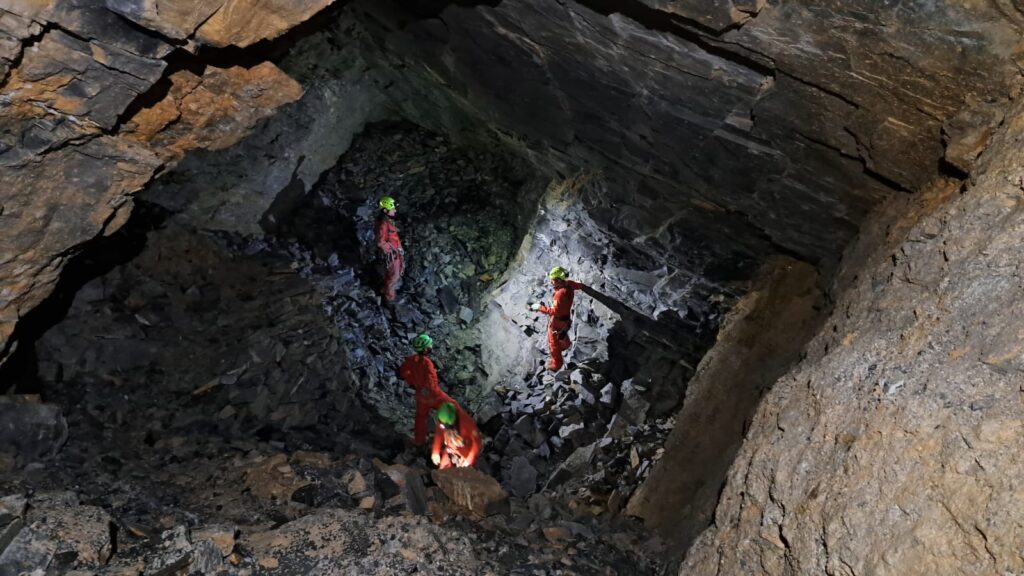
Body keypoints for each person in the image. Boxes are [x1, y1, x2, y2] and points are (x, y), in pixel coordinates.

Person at [399, 333, 454, 446]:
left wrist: (413, 382)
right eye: (429, 346)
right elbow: (431, 383)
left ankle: (419, 441)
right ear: (425, 349)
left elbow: (403, 371)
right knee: (453, 406)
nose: (431, 347)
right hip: (433, 395)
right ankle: (453, 435)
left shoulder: (411, 360)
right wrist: (429, 389)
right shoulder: (427, 363)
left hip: (420, 394)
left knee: (421, 417)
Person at [529, 266, 586, 371]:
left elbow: (554, 311)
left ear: (558, 280)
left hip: (557, 321)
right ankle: (565, 345)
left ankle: (557, 364)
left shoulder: (559, 294)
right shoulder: (569, 284)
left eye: (553, 280)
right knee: (562, 334)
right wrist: (580, 283)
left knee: (553, 342)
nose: (551, 282)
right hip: (566, 318)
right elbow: (578, 285)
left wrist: (539, 307)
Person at [431, 401, 482, 469]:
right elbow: (439, 433)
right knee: (443, 469)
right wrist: (435, 451)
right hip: (450, 448)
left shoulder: (467, 423)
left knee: (464, 473)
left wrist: (468, 461)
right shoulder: (442, 420)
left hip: (465, 450)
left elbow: (476, 443)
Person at [375, 196, 403, 303]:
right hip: (392, 255)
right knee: (394, 276)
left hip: (395, 252)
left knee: (392, 274)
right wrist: (392, 251)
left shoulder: (388, 221)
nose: (395, 210)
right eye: (392, 209)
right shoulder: (383, 224)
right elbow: (380, 242)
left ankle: (384, 290)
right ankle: (389, 299)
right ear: (385, 210)